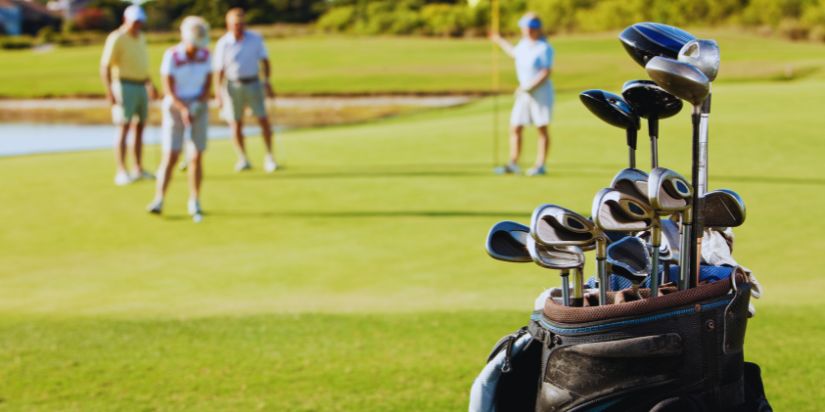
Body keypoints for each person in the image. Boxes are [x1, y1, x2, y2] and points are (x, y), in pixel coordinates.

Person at [146, 16, 212, 222]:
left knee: (195, 156)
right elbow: (168, 89)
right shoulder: (172, 56)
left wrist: (199, 104)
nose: (196, 48)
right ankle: (159, 199)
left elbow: (208, 84)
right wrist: (183, 108)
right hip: (175, 109)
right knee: (172, 156)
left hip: (199, 108)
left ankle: (195, 200)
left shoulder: (206, 55)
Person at [213, 8, 278, 173]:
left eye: (241, 24)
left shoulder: (255, 39)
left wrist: (267, 81)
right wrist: (218, 93)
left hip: (254, 83)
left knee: (263, 120)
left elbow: (265, 61)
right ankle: (243, 158)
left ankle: (270, 156)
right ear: (228, 25)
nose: (239, 27)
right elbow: (219, 70)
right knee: (236, 123)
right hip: (233, 85)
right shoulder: (223, 43)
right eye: (235, 24)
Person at [100, 5, 158, 186]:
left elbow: (142, 65)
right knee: (124, 128)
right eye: (135, 22)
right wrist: (109, 90)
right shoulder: (117, 37)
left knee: (140, 127)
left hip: (141, 85)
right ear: (126, 20)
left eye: (140, 22)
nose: (138, 25)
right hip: (123, 85)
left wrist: (150, 85)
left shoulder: (141, 38)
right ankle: (121, 170)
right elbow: (105, 66)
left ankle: (138, 168)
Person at [491, 13, 554, 176]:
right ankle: (513, 163)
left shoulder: (544, 47)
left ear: (534, 29)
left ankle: (540, 165)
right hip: (524, 92)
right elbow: (513, 53)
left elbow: (546, 72)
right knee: (516, 126)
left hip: (540, 92)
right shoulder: (524, 44)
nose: (523, 31)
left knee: (541, 127)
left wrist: (528, 87)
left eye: (525, 28)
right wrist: (499, 40)